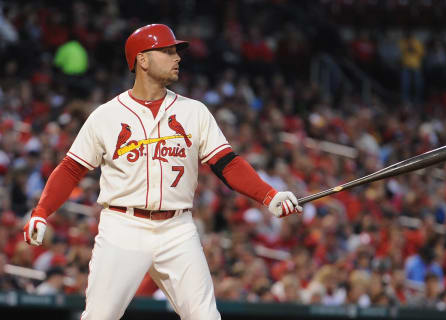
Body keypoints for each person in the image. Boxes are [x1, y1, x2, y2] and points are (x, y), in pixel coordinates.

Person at [22, 23, 302, 320]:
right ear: (142, 59)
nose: (177, 57)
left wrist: (268, 195)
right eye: (167, 51)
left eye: (176, 52)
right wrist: (41, 211)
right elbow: (71, 169)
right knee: (99, 317)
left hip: (177, 229)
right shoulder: (106, 115)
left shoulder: (194, 112)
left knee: (206, 317)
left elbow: (227, 163)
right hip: (122, 227)